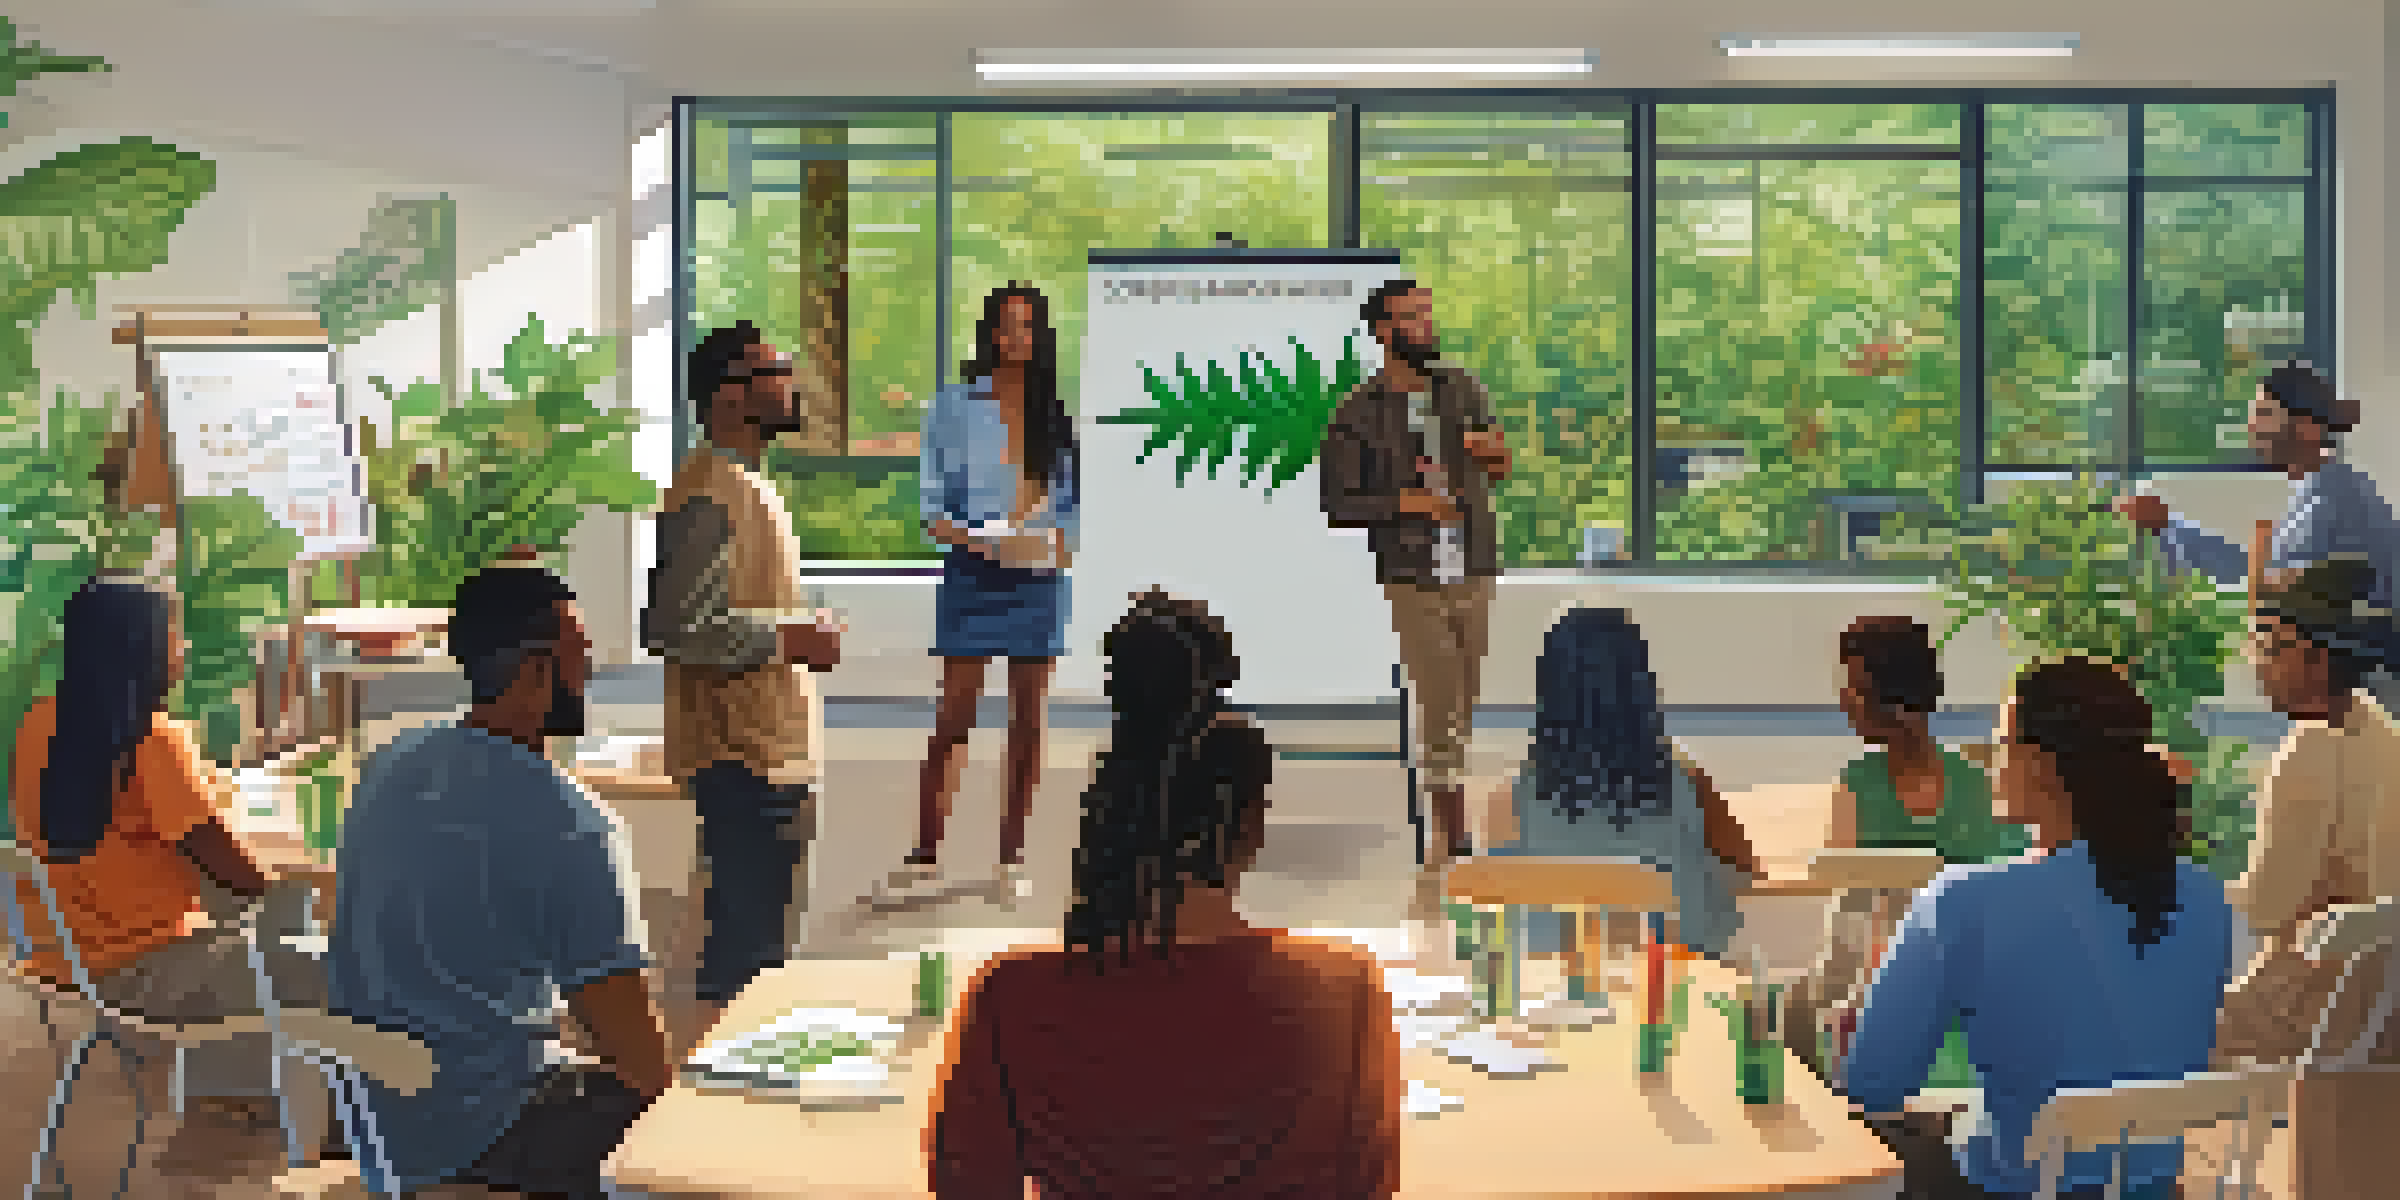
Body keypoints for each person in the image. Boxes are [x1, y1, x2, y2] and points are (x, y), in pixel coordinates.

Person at [927, 590, 1402, 1199]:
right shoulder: (1346, 996)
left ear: (1106, 813)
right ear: (1250, 825)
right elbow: (1368, 1189)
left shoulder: (1011, 1000)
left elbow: (969, 1188)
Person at [330, 567, 671, 1198]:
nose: (590, 666)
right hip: (482, 1126)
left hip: (372, 1115)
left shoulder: (389, 765)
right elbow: (636, 1053)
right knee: (687, 1134)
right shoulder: (571, 822)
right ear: (538, 668)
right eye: (580, 648)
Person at [1844, 657, 2233, 1200]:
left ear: (2040, 764)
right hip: (2153, 1187)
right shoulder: (2205, 896)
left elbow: (1873, 1085)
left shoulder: (1963, 903)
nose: (1990, 763)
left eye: (2001, 743)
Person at [9, 575, 331, 1133]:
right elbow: (238, 873)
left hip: (60, 972)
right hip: (139, 976)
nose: (181, 651)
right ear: (144, 648)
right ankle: (314, 1125)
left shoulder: (38, 725)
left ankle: (249, 1099)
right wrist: (303, 878)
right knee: (312, 954)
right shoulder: (152, 739)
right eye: (173, 637)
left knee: (263, 930)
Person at [643, 320, 845, 1053]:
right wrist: (791, 638)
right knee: (744, 970)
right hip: (743, 762)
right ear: (727, 394)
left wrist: (793, 628)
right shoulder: (709, 491)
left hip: (763, 757)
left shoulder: (742, 485)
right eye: (773, 369)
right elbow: (677, 625)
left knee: (752, 957)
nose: (790, 382)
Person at [889, 283, 1080, 905]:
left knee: (1028, 721)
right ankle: (924, 856)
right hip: (975, 572)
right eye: (1005, 326)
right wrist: (974, 539)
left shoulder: (1058, 408)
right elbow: (931, 504)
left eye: (1027, 327)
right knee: (955, 718)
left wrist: (1059, 543)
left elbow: (1074, 504)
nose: (1015, 338)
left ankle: (1010, 861)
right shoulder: (953, 404)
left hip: (1039, 577)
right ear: (988, 333)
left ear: (1041, 334)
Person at [1321, 278, 1512, 864]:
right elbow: (1339, 503)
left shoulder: (1462, 388)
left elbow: (1499, 465)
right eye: (1411, 318)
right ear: (1383, 331)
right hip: (1412, 574)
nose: (1425, 326)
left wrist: (1496, 457)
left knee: (1465, 697)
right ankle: (1449, 828)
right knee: (1438, 698)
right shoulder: (1359, 411)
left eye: (1427, 315)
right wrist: (1408, 502)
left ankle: (1450, 812)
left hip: (1473, 564)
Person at [1794, 618, 2030, 1084]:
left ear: (1895, 701)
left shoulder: (1860, 787)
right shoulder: (1977, 785)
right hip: (1933, 991)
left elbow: (1843, 900)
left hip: (1890, 989)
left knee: (1791, 1013)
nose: (1844, 701)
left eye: (1855, 689)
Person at [1478, 608, 1756, 973]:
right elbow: (1750, 877)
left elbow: (1498, 917)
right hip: (1672, 993)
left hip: (1552, 992)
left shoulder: (1507, 806)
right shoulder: (1690, 788)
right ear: (1641, 686)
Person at [2115, 359, 2400, 711]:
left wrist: (2167, 527)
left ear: (2309, 428)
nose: (2252, 427)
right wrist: (2168, 525)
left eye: (2265, 414)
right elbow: (2262, 574)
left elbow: (2264, 583)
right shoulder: (2327, 490)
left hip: (2367, 682)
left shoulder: (2333, 501)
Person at [2215, 556, 2400, 1067]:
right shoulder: (2385, 737)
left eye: (2274, 650)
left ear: (2318, 659)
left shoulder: (2310, 749)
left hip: (2303, 1012)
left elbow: (2266, 906)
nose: (2258, 666)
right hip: (2379, 1013)